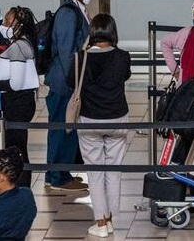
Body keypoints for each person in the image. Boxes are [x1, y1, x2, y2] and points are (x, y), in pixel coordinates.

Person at [67, 14, 131, 238]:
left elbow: (70, 82)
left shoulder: (80, 58)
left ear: (92, 32)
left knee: (95, 172)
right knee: (114, 170)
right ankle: (111, 219)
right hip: (118, 118)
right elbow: (125, 76)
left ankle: (101, 222)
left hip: (90, 120)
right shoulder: (122, 56)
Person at [44, 0, 92, 192]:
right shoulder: (68, 13)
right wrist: (74, 81)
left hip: (69, 80)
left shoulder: (77, 9)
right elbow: (66, 52)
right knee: (62, 128)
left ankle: (56, 173)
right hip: (64, 82)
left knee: (65, 127)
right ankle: (58, 178)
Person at [0, 6, 38, 188]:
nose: (3, 24)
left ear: (19, 25)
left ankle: (21, 187)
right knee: (17, 146)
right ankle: (20, 187)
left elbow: (15, 83)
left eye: (7, 21)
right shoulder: (21, 43)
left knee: (17, 148)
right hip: (19, 102)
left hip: (18, 103)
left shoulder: (18, 47)